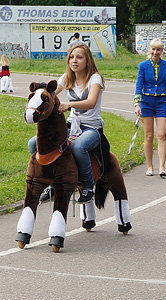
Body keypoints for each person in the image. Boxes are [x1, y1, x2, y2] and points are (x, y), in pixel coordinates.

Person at [27, 43, 103, 204]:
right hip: (71, 126)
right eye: (71, 57)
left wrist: (70, 105)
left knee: (78, 147)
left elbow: (91, 102)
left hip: (91, 128)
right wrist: (38, 98)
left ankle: (88, 187)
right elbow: (51, 93)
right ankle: (52, 182)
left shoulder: (95, 78)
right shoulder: (67, 77)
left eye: (79, 57)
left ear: (87, 61)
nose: (74, 61)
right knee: (33, 143)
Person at [134, 38, 166, 178]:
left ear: (162, 51)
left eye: (158, 49)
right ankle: (150, 166)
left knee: (161, 135)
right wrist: (137, 103)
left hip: (162, 102)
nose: (155, 52)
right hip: (147, 101)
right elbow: (139, 84)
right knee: (149, 135)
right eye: (153, 49)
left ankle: (162, 167)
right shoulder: (143, 65)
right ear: (149, 49)